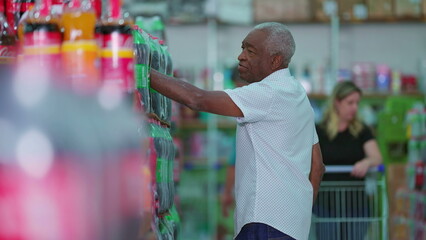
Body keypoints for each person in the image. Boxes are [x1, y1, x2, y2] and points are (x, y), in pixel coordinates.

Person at [150, 22, 325, 240]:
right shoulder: (297, 93)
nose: (241, 56)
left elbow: (198, 99)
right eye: (242, 48)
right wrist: (299, 213)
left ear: (275, 60)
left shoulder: (269, 93)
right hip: (292, 227)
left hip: (264, 223)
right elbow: (317, 167)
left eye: (250, 51)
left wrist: (140, 70)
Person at [313, 81, 383, 240]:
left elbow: (377, 157)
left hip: (356, 204)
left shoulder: (362, 130)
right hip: (325, 204)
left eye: (357, 103)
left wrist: (366, 162)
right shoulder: (318, 131)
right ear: (337, 102)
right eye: (350, 102)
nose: (355, 107)